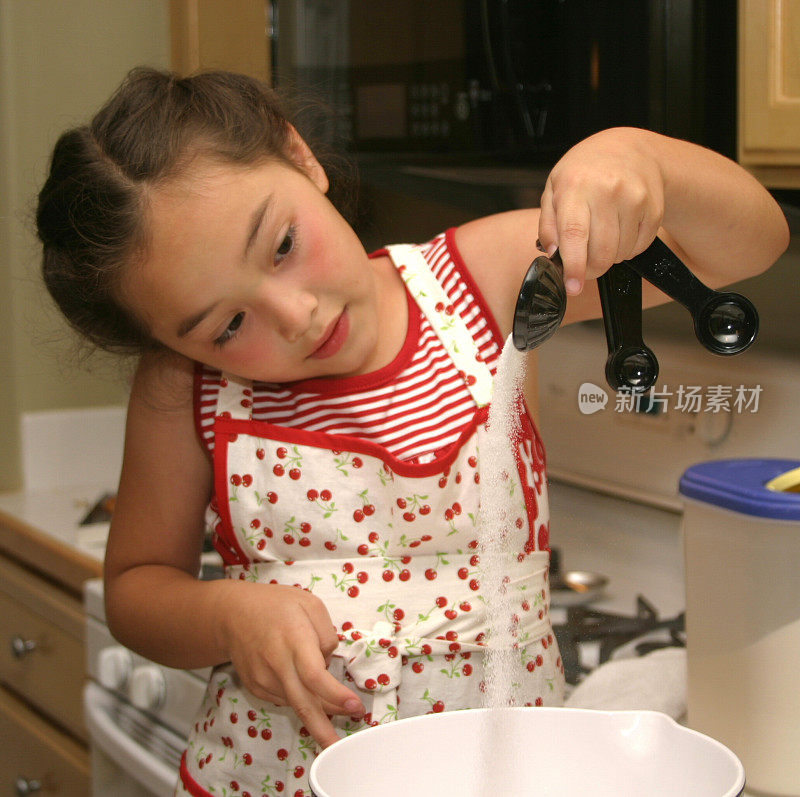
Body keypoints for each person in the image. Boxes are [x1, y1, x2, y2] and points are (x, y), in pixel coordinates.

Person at [36, 68, 788, 796]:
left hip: (501, 775)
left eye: (282, 246)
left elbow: (746, 248)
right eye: (229, 325)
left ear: (300, 156)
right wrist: (225, 616)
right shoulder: (183, 386)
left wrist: (639, 157)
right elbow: (135, 588)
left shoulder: (481, 285)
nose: (296, 316)